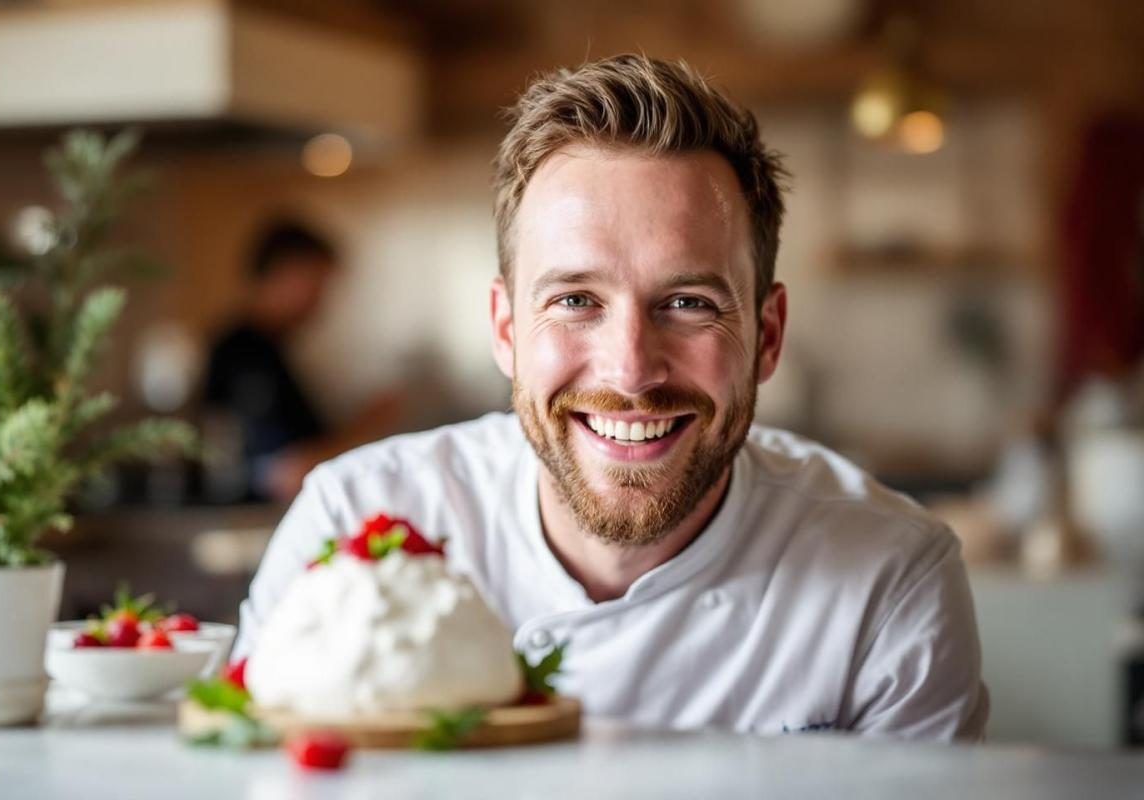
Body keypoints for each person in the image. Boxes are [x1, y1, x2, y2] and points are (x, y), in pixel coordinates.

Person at [234, 55, 989, 741]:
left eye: (689, 302)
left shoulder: (888, 580)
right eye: (575, 301)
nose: (630, 372)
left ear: (766, 336)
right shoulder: (351, 524)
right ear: (505, 329)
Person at [202, 220, 401, 503]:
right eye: (316, 284)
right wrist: (368, 424)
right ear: (284, 274)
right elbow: (284, 470)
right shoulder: (244, 354)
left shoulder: (272, 349)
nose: (320, 301)